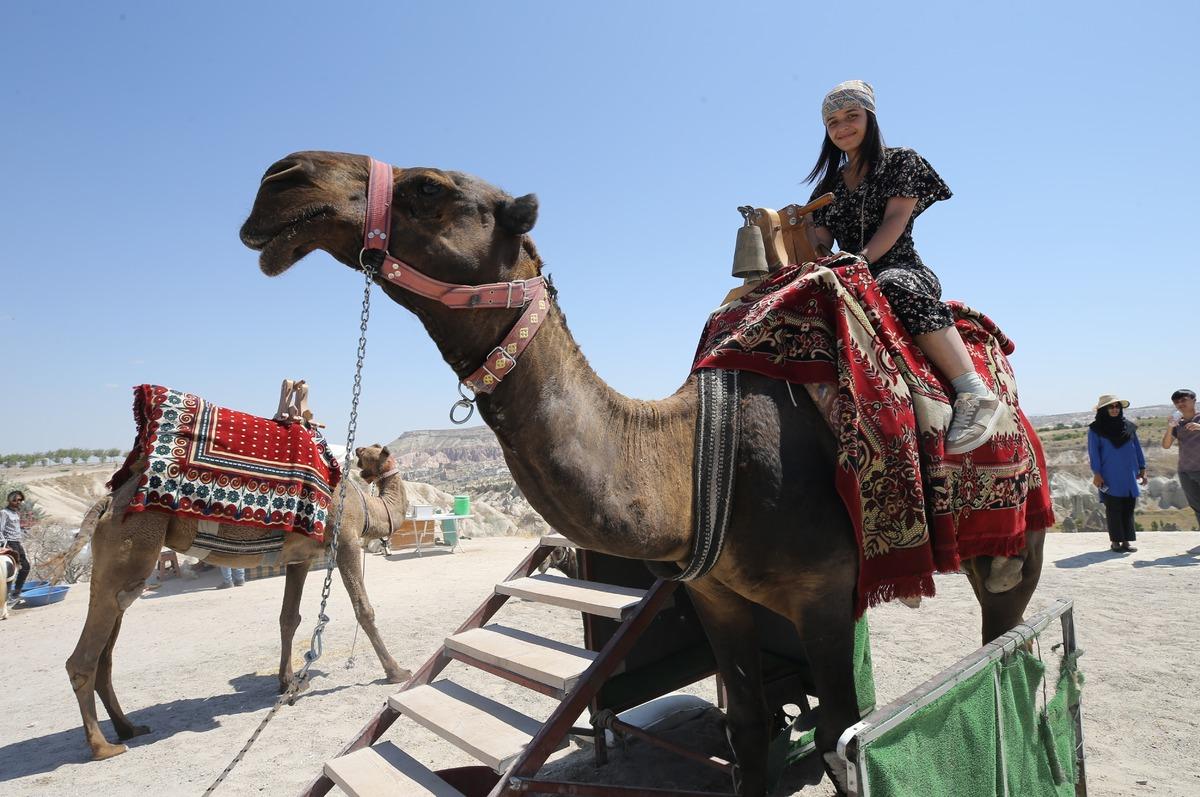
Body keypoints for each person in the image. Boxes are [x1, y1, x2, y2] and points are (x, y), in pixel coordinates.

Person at [806, 80, 1003, 456]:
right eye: (832, 121)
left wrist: (861, 260)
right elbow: (819, 238)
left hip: (899, 267)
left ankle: (973, 391)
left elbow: (895, 220)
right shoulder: (828, 186)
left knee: (892, 285)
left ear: (870, 117)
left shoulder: (901, 161)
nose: (842, 126)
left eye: (852, 116)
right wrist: (804, 238)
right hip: (849, 274)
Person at [1088, 395, 1147, 552]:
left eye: (1117, 407)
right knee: (1113, 507)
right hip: (1109, 474)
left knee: (1128, 506)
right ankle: (1115, 541)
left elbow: (1137, 449)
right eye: (1111, 407)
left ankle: (1127, 541)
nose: (1114, 409)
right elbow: (1094, 453)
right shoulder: (1096, 429)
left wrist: (1142, 468)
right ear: (1103, 410)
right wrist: (1097, 473)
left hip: (1129, 474)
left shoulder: (1129, 427)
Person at [1161, 388, 1200, 529]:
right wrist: (1170, 427)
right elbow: (1166, 445)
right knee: (1196, 506)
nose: (1180, 404)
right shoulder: (1178, 424)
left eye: (1184, 400)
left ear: (1194, 400)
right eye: (1176, 402)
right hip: (1185, 471)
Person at [0, 490, 32, 601]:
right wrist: (6, 544)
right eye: (15, 500)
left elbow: (15, 528)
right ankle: (9, 595)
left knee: (25, 567)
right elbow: (0, 529)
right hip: (10, 542)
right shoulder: (4, 512)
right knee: (11, 570)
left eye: (20, 500)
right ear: (10, 500)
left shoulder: (15, 513)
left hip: (17, 542)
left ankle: (16, 592)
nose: (17, 502)